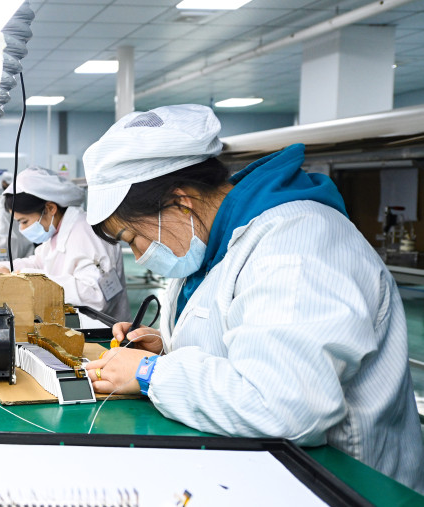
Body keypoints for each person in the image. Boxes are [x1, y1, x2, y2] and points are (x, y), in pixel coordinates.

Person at [81, 104, 424, 493]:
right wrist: (163, 350)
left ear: (179, 202)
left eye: (132, 237)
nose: (140, 253)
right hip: (257, 471)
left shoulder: (298, 244)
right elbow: (244, 346)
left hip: (347, 486)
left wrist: (149, 374)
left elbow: (286, 405)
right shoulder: (212, 243)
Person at [0, 167, 128, 323]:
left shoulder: (87, 233)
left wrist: (30, 279)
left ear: (50, 208)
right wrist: (7, 268)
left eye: (24, 222)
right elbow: (39, 262)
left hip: (102, 332)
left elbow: (96, 297)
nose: (22, 229)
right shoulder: (56, 232)